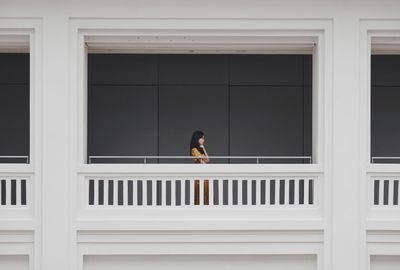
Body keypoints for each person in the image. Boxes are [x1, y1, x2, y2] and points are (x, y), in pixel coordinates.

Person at [190, 130, 209, 205]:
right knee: (199, 193)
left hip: (204, 173)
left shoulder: (200, 149)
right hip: (198, 174)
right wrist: (203, 161)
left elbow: (207, 159)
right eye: (202, 138)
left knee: (206, 192)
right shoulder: (194, 150)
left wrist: (203, 148)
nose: (203, 140)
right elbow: (201, 161)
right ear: (197, 138)